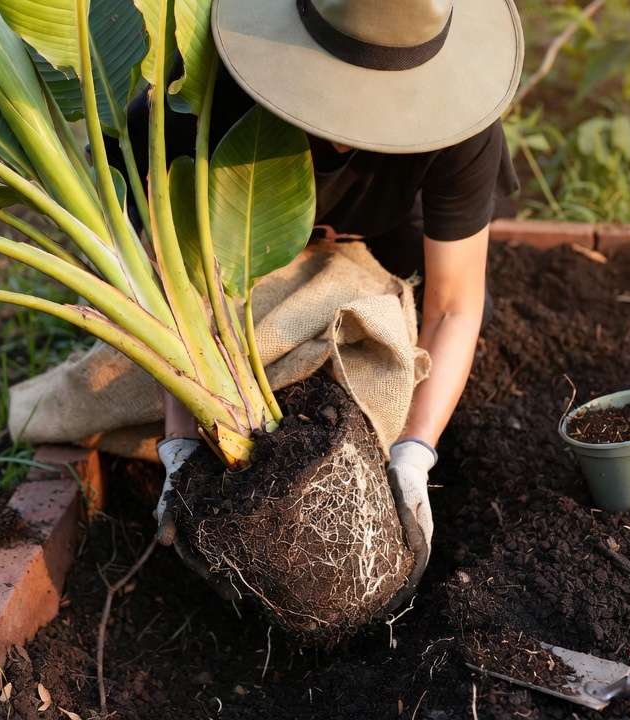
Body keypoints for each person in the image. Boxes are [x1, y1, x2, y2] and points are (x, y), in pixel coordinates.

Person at [132, 0, 524, 608]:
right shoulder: (201, 103)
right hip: (232, 236)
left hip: (384, 225)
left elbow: (454, 304)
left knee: (464, 318)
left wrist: (414, 453)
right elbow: (175, 297)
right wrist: (182, 443)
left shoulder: (459, 128)